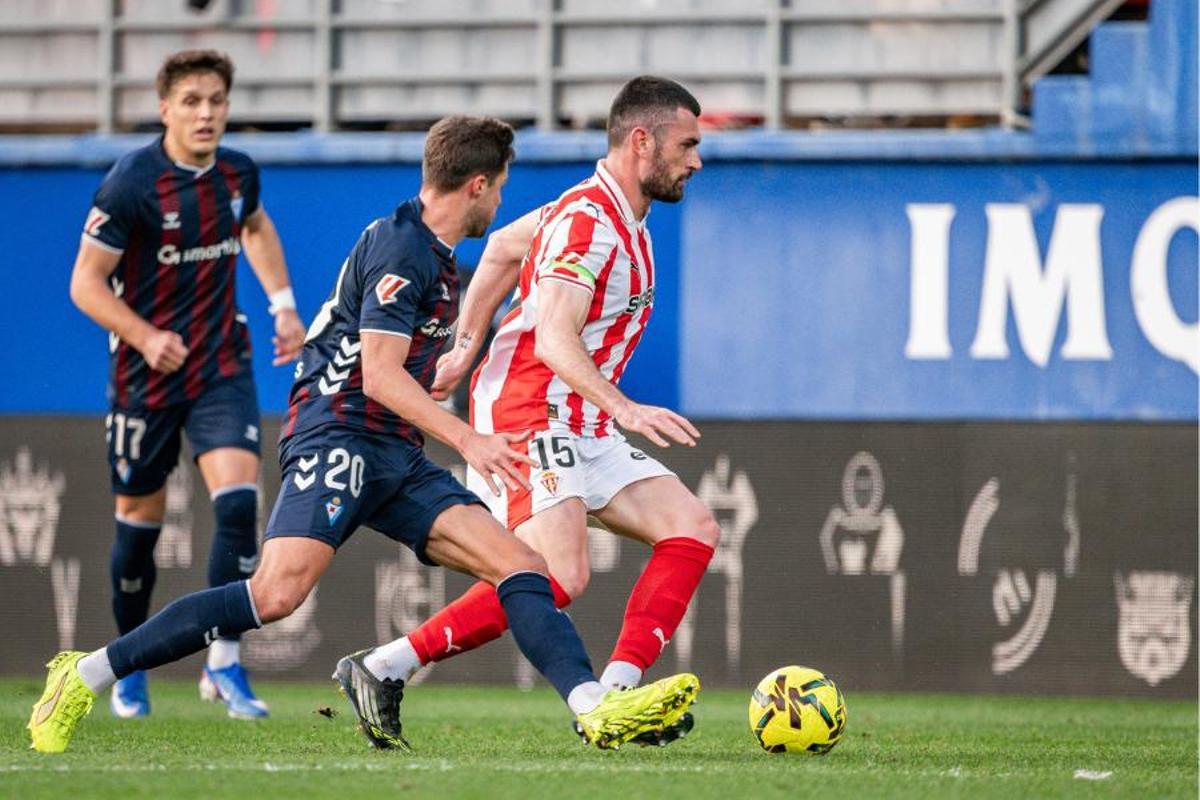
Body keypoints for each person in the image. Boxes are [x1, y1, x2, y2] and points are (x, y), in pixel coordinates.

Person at [29, 114, 699, 755]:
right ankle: (85, 675)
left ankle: (592, 706)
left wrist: (454, 354)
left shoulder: (434, 256)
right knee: (276, 594)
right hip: (338, 438)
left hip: (392, 451)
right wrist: (468, 439)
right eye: (497, 189)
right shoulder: (404, 249)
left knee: (523, 568)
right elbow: (376, 377)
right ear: (477, 186)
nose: (499, 203)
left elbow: (401, 357)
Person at [360, 76, 720, 743]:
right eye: (689, 144)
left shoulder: (604, 213)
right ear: (643, 141)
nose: (697, 159)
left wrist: (466, 346)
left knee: (692, 528)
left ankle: (617, 695)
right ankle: (389, 664)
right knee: (555, 574)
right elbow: (554, 338)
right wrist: (627, 408)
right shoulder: (591, 223)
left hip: (576, 414)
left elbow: (499, 249)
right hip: (529, 410)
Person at [66, 49, 306, 721]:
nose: (206, 114)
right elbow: (84, 283)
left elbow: (254, 225)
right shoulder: (131, 183)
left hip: (221, 362)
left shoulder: (237, 173)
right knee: (138, 528)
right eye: (192, 101)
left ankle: (224, 663)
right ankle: (131, 665)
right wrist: (144, 335)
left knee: (237, 504)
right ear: (165, 108)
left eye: (216, 102)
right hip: (145, 376)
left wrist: (283, 302)